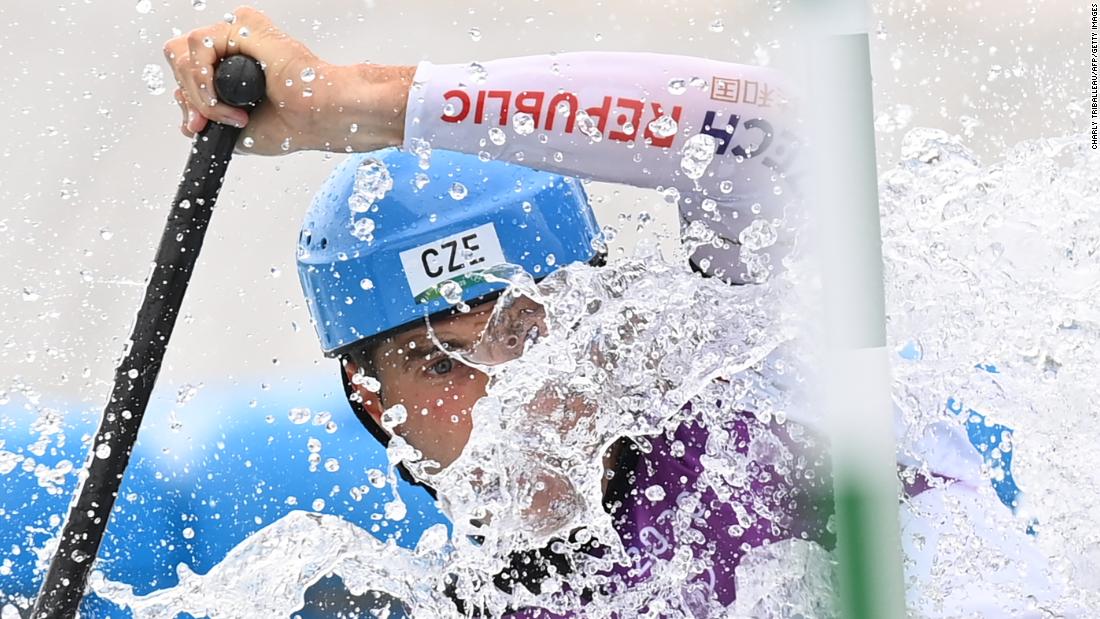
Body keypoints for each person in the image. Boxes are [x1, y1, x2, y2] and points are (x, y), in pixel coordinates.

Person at [164, 7, 1067, 618]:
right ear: (371, 402)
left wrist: (353, 103)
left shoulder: (775, 376)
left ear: (595, 316)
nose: (510, 394)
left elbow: (778, 139)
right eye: (442, 364)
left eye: (525, 329)